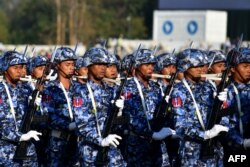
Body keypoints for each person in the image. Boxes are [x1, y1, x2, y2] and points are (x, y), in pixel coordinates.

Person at [171, 48, 229, 166]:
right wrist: (206, 134)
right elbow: (180, 127)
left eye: (202, 65)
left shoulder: (209, 86)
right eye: (196, 66)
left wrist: (223, 107)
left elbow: (219, 113)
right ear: (186, 67)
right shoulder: (179, 91)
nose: (201, 69)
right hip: (192, 151)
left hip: (214, 148)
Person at [72, 47, 126, 166]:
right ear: (89, 65)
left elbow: (119, 123)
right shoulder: (80, 91)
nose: (103, 68)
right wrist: (101, 141)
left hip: (111, 147)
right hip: (91, 151)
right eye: (99, 64)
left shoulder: (111, 90)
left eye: (105, 64)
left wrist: (120, 112)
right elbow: (82, 125)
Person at [121, 48, 175, 166]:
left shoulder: (156, 87)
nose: (151, 67)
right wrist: (152, 134)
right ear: (137, 66)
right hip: (138, 144)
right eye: (147, 64)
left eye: (152, 64)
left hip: (158, 142)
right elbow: (132, 118)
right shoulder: (127, 87)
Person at [0, 51, 41, 166]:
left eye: (22, 67)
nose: (19, 71)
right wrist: (20, 136)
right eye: (15, 67)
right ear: (5, 69)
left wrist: (36, 106)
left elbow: (33, 118)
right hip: (7, 152)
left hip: (28, 149)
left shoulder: (26, 89)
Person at [42, 47, 79, 166]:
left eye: (73, 64)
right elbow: (48, 116)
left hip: (77, 142)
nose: (71, 67)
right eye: (67, 64)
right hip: (58, 143)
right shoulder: (50, 89)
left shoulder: (78, 88)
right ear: (57, 65)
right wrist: (69, 125)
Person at [223, 47, 250, 166]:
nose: (249, 70)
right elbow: (224, 126)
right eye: (245, 66)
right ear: (233, 68)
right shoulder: (225, 93)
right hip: (235, 151)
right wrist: (242, 142)